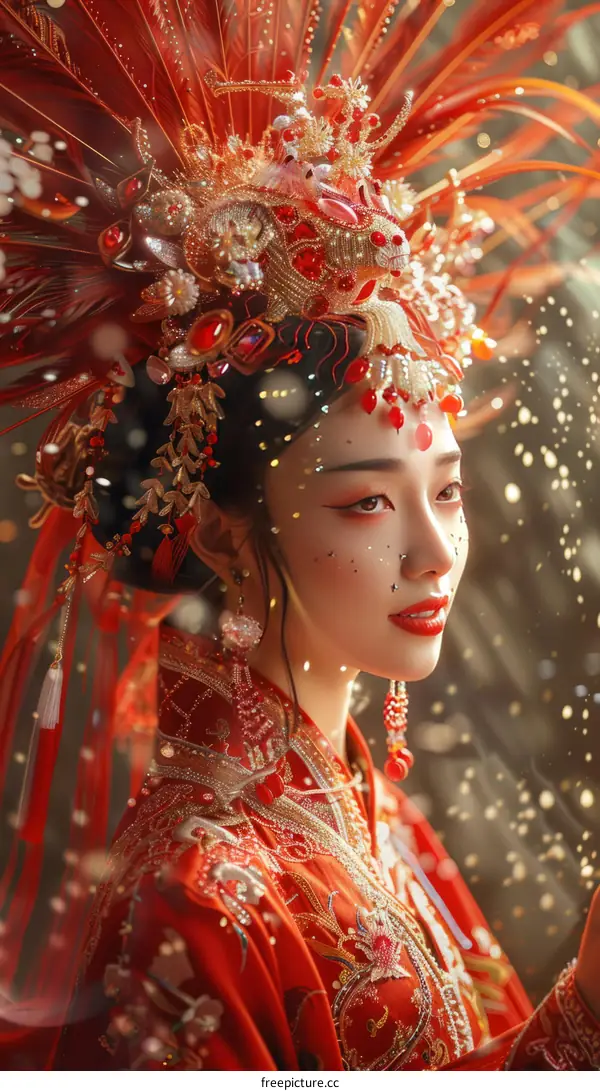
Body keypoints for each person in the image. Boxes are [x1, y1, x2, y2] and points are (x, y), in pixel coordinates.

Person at [0, 0, 599, 1072]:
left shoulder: (359, 801)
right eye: (369, 502)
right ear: (228, 531)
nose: (434, 552)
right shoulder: (192, 898)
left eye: (446, 492)